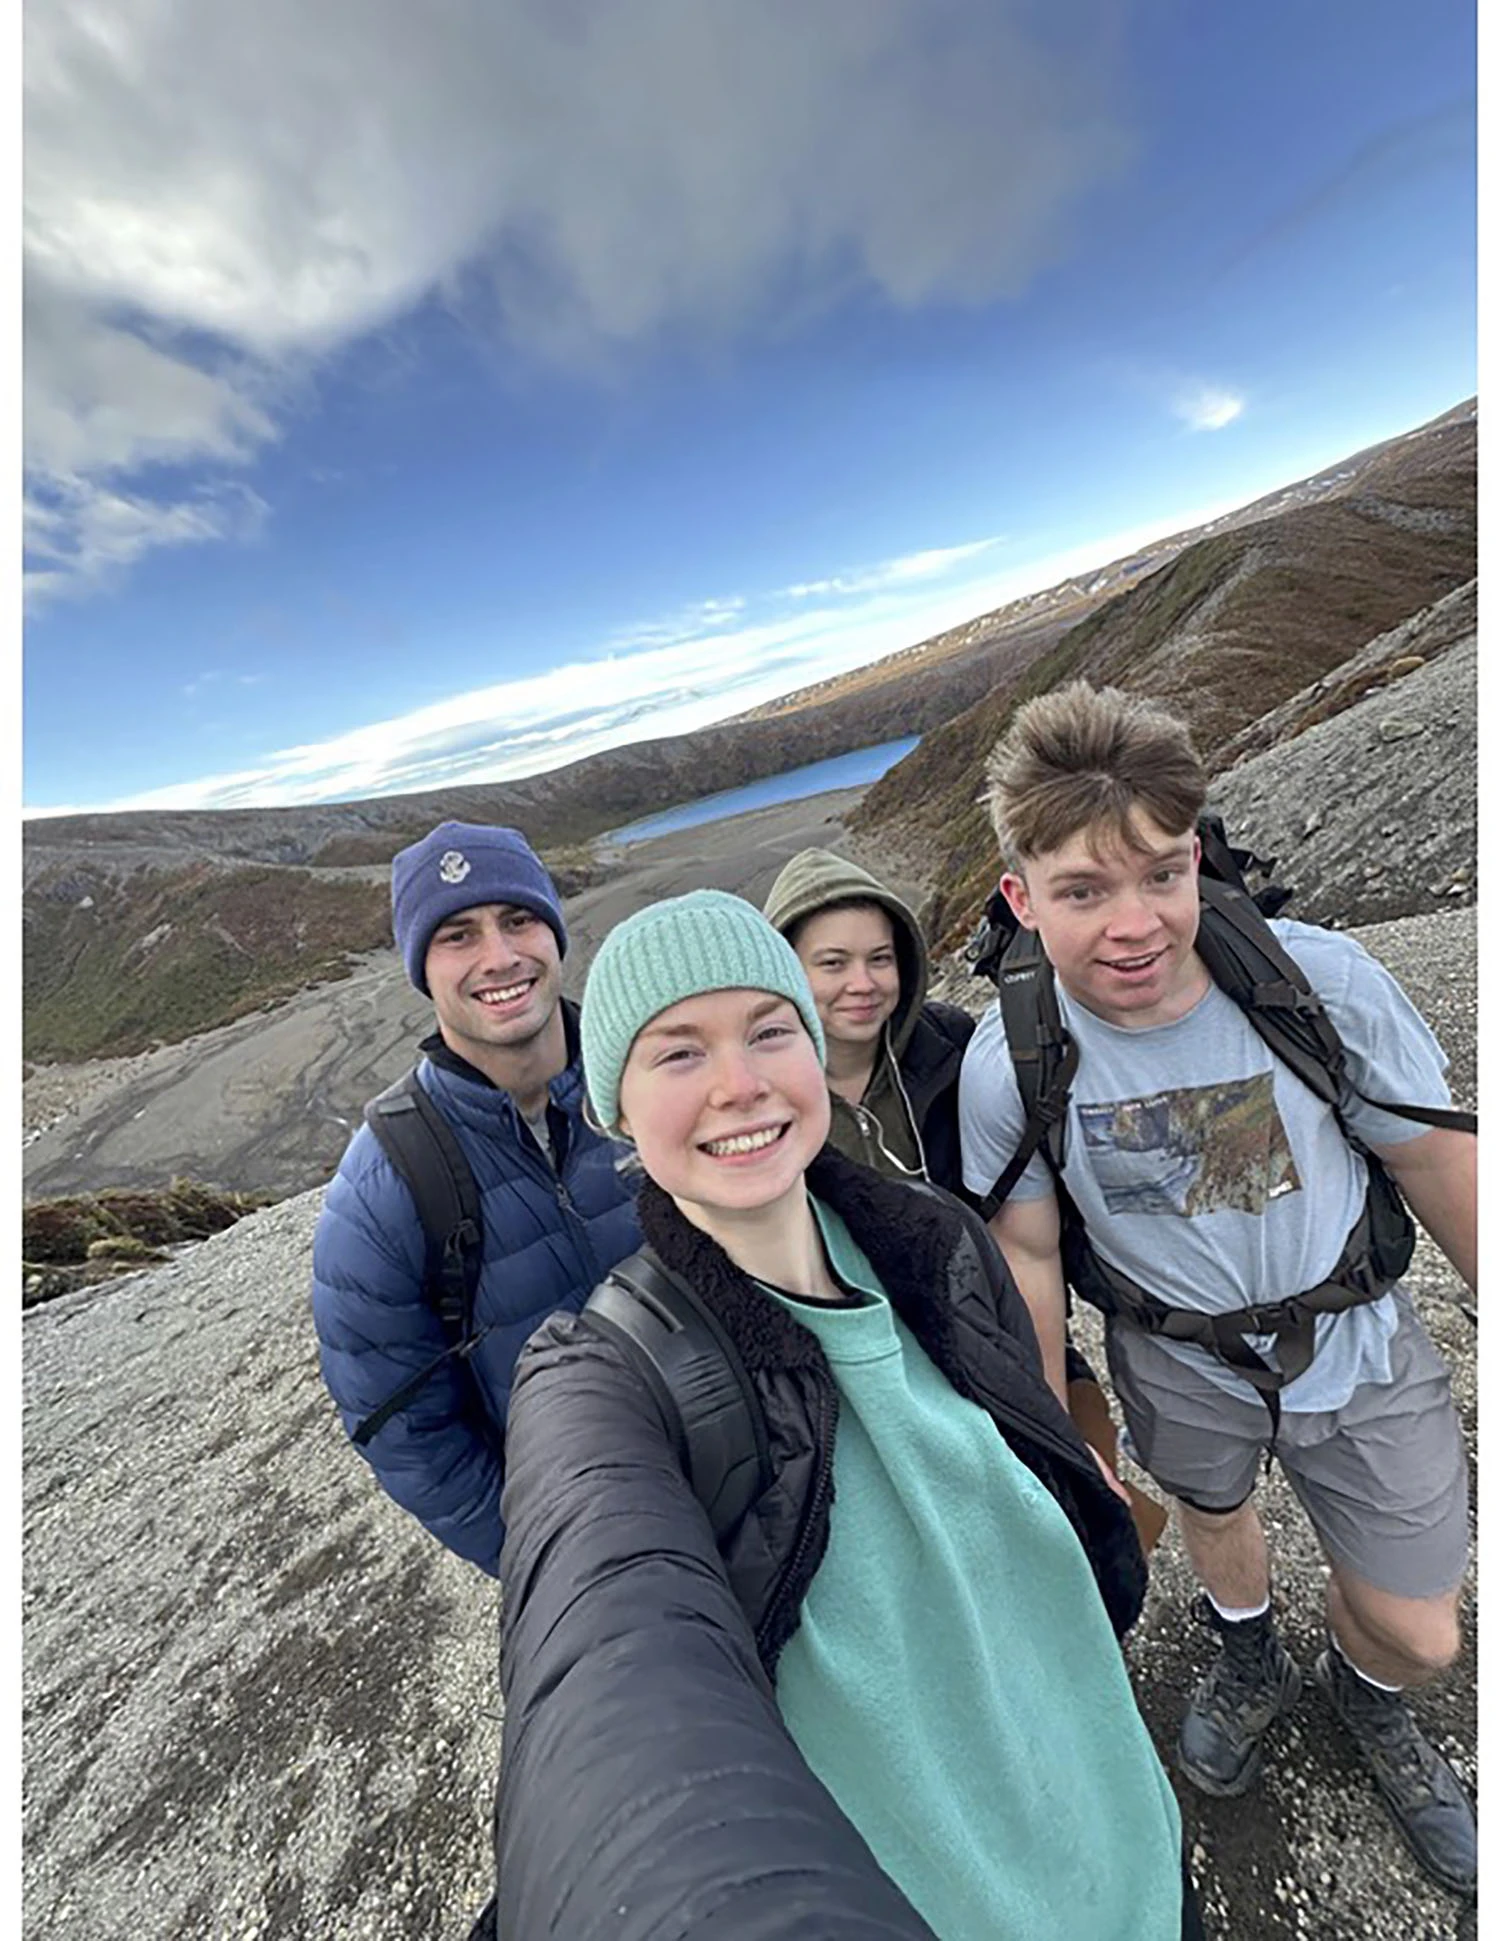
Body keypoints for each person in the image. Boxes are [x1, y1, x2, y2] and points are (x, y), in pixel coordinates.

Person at [495, 889, 1199, 1940]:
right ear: (615, 1112)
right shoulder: (604, 1378)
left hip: (1130, 1839)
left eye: (770, 1031)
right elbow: (606, 1674)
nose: (741, 1085)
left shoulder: (935, 1243)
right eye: (679, 1053)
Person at [958, 681, 1477, 1897]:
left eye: (1163, 875)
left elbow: (1436, 1157)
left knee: (1425, 1627)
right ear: (1023, 899)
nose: (1135, 923)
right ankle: (1247, 1653)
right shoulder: (1013, 1060)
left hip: (1355, 1350)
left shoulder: (1316, 984)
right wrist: (1053, 1434)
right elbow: (1031, 1255)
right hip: (1177, 1360)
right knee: (1213, 1509)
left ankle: (1368, 1688)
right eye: (1084, 891)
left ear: (1199, 860)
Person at [311, 821, 641, 1573]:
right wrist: (551, 1563)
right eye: (457, 934)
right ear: (422, 969)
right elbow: (407, 1433)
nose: (500, 957)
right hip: (595, 1554)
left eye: (519, 919)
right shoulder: (380, 1195)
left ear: (555, 933)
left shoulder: (658, 1077)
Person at [763, 849, 974, 1194]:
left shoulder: (952, 1045)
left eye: (879, 959)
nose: (863, 984)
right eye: (833, 963)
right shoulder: (757, 1096)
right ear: (784, 970)